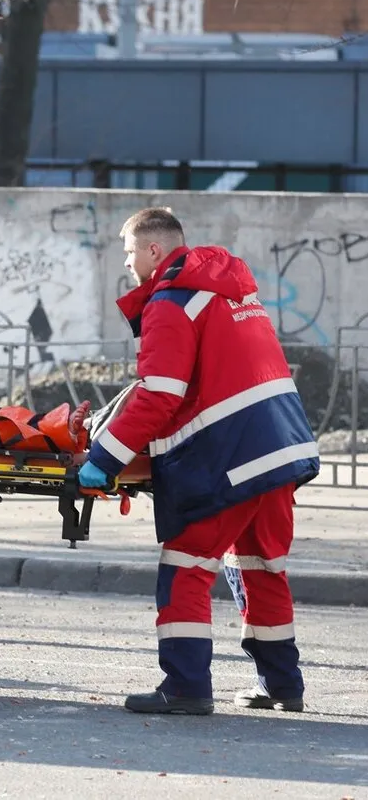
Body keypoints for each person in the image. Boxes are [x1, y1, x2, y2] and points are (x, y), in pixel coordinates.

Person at [78, 207, 320, 716]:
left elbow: (159, 396)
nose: (127, 265)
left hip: (231, 456)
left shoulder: (172, 302)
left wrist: (104, 458)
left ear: (154, 250)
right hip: (280, 448)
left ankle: (186, 686)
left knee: (186, 564)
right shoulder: (231, 291)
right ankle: (282, 684)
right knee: (260, 565)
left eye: (128, 254)